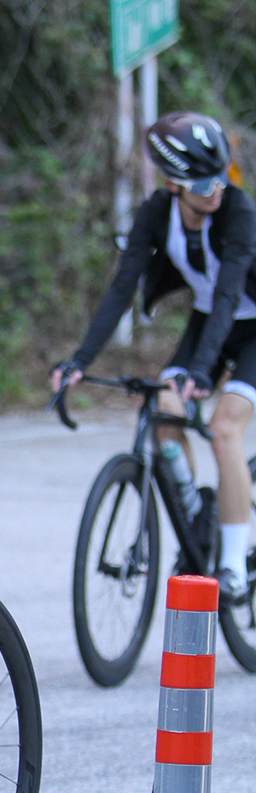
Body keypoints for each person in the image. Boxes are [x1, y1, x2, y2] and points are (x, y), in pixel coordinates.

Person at [52, 111, 256, 603]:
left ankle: (232, 564)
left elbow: (229, 294)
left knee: (224, 428)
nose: (216, 190)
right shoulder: (155, 214)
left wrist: (202, 371)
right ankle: (195, 513)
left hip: (250, 325)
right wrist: (79, 360)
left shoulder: (238, 211)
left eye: (222, 176)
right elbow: (121, 288)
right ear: (172, 184)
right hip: (209, 320)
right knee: (166, 409)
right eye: (202, 183)